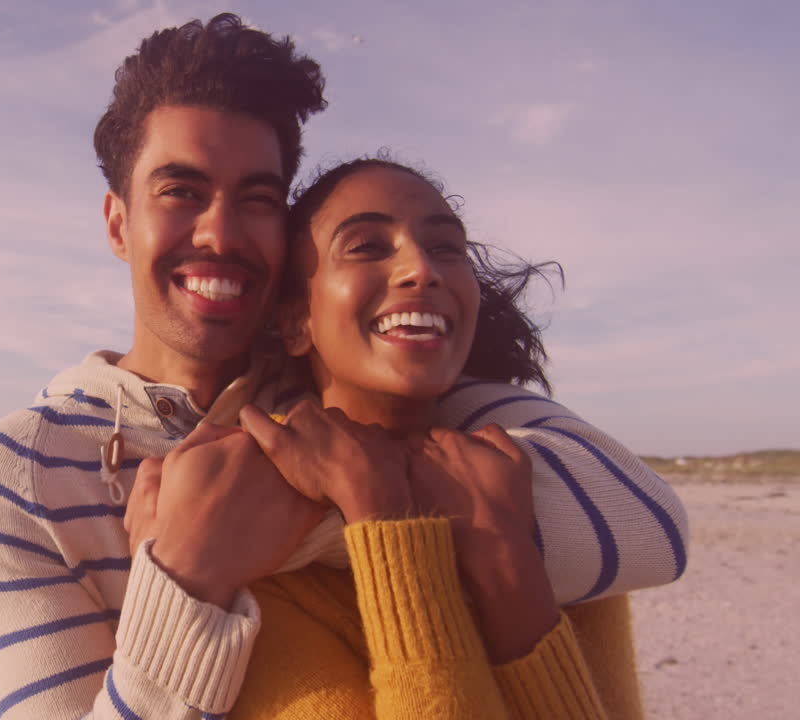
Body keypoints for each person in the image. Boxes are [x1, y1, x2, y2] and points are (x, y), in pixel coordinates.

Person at [0, 14, 687, 720]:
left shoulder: (363, 385)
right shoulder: (21, 470)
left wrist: (327, 501)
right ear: (119, 223)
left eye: (258, 200)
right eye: (181, 192)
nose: (220, 233)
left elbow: (651, 524)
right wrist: (190, 576)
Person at [128, 155, 651, 718]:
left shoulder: (539, 499)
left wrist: (507, 562)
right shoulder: (239, 510)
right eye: (367, 247)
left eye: (446, 248)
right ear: (297, 321)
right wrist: (385, 522)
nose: (421, 269)